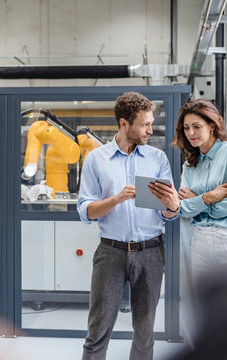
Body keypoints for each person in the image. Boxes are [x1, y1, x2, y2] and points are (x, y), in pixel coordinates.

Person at [77, 92, 180, 360]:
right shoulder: (95, 160)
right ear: (124, 123)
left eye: (151, 123)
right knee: (98, 330)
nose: (150, 129)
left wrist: (173, 205)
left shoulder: (157, 159)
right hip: (111, 253)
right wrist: (116, 198)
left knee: (145, 333)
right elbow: (85, 210)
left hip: (151, 252)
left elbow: (169, 215)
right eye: (145, 124)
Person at [172, 98, 227, 282]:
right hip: (200, 243)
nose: (191, 133)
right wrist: (209, 197)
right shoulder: (189, 165)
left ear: (211, 125)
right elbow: (184, 208)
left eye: (196, 126)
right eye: (186, 128)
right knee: (207, 308)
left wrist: (200, 202)